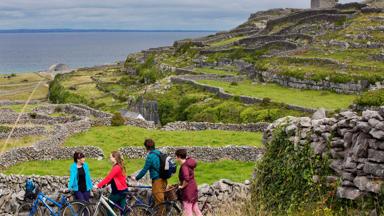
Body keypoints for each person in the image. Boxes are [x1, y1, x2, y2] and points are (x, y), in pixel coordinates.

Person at [131, 139, 167, 209]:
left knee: (160, 202)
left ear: (146, 147)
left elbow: (144, 170)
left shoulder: (150, 156)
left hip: (157, 181)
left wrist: (136, 178)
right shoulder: (159, 153)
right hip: (164, 179)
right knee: (160, 200)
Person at [96, 151, 128, 216]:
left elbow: (108, 178)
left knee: (108, 207)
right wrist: (105, 184)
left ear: (114, 158)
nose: (110, 158)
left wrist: (98, 185)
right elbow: (113, 179)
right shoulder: (120, 165)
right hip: (124, 190)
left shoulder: (116, 167)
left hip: (118, 192)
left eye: (110, 157)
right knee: (122, 211)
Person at [175, 149, 202, 216]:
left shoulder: (184, 166)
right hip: (193, 188)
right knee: (195, 209)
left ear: (179, 157)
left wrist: (182, 186)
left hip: (188, 191)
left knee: (188, 211)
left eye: (176, 156)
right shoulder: (188, 163)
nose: (176, 158)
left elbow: (186, 179)